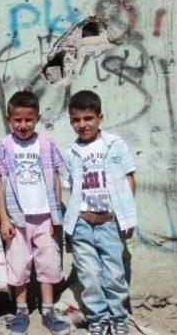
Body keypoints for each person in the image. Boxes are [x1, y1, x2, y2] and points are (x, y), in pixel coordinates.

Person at [0, 90, 69, 335]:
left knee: (48, 263)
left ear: (37, 118)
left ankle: (48, 310)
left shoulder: (45, 144)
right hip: (17, 219)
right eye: (18, 120)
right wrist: (3, 218)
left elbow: (55, 177)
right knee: (18, 264)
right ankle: (21, 311)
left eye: (28, 120)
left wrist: (56, 214)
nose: (23, 125)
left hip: (44, 217)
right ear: (9, 119)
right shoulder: (3, 146)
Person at [63, 90, 136, 335]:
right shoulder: (71, 152)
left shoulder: (115, 145)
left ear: (99, 118)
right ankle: (98, 318)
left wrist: (126, 217)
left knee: (114, 274)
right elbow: (71, 189)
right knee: (89, 275)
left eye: (88, 118)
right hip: (82, 223)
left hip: (109, 223)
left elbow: (129, 180)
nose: (82, 125)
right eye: (76, 119)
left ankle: (118, 317)